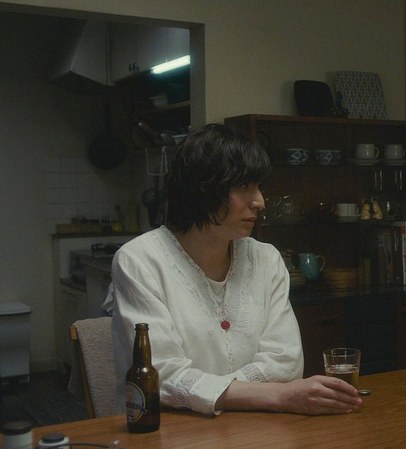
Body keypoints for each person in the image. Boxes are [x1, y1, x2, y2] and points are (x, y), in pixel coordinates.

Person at [110, 124, 362, 415]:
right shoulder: (140, 261)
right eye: (244, 187)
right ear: (202, 190)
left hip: (256, 427)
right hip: (169, 428)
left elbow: (286, 363)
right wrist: (277, 395)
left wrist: (212, 390)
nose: (260, 202)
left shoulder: (265, 259)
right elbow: (161, 376)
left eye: (259, 187)